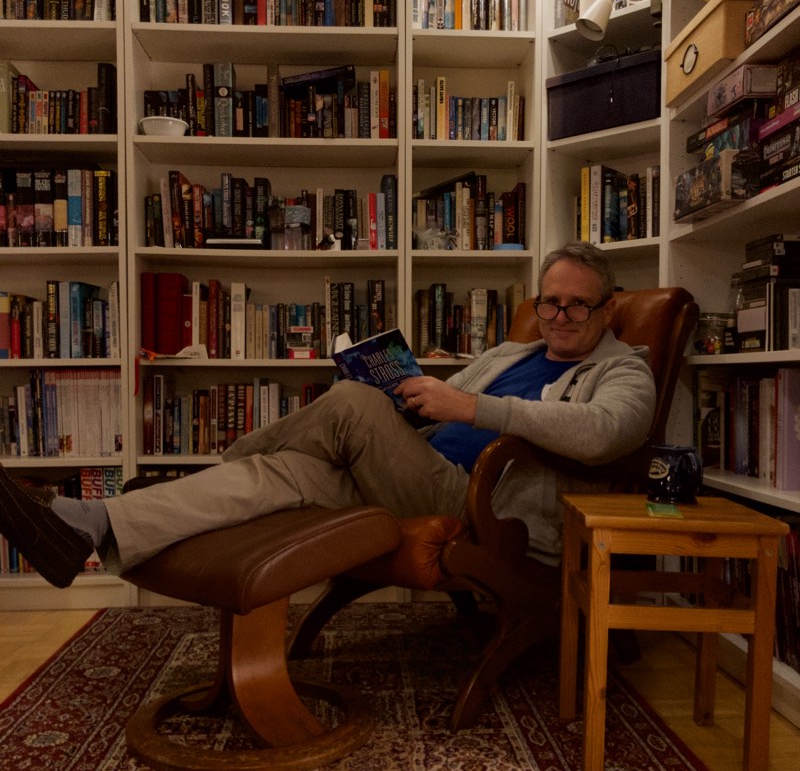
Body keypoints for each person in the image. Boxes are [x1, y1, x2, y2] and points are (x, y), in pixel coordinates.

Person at [0, 242, 656, 589]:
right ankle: (86, 523)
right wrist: (410, 386)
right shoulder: (516, 348)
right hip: (412, 467)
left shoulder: (626, 370)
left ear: (607, 308)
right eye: (550, 302)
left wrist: (469, 404)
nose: (560, 317)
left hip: (486, 503)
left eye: (577, 306)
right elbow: (450, 401)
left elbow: (602, 434)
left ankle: (200, 470)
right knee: (281, 473)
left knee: (346, 404)